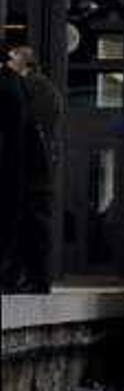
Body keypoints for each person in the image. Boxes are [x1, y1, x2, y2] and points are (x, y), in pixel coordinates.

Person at [1, 44, 52, 293]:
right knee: (28, 227)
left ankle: (28, 278)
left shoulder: (28, 86)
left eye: (12, 58)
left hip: (27, 170)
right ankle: (27, 278)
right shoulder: (38, 88)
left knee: (26, 226)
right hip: (34, 169)